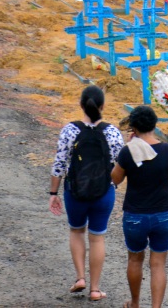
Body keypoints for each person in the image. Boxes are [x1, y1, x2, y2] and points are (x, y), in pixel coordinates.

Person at [48, 85, 124, 301]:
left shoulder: (69, 131)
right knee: (97, 238)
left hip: (75, 191)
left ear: (81, 105)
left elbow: (59, 164)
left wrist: (53, 192)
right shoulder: (112, 133)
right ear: (103, 106)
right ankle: (95, 289)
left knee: (76, 231)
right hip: (104, 192)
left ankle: (80, 278)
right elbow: (120, 164)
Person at [111, 106, 168, 308]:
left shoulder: (128, 152)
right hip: (164, 214)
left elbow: (115, 179)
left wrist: (126, 151)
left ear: (134, 127)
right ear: (155, 125)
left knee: (135, 260)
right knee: (158, 264)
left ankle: (135, 303)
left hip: (135, 215)